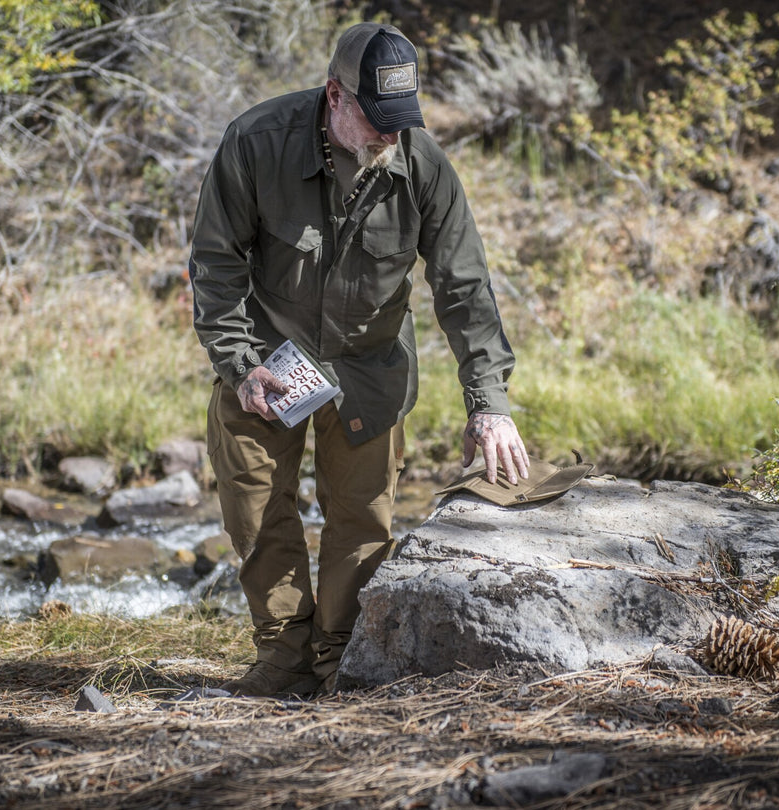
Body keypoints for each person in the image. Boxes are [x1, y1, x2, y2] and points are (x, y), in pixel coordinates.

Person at [189, 21, 530, 697]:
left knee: (361, 522)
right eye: (376, 118)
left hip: (370, 367)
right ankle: (284, 658)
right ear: (334, 96)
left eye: (401, 118)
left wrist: (488, 404)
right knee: (253, 506)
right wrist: (239, 362)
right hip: (269, 360)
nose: (389, 135)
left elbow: (464, 288)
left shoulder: (422, 165)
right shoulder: (256, 142)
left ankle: (339, 664)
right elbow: (215, 264)